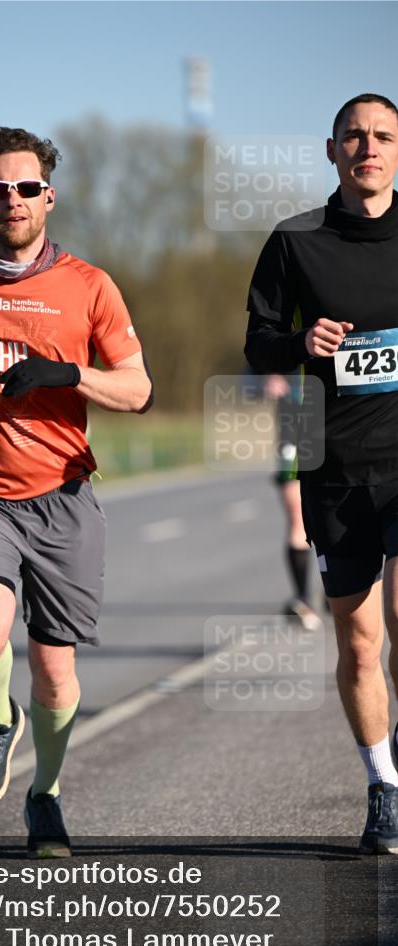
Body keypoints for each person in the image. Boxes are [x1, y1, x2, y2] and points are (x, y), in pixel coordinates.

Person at [0, 127, 152, 858]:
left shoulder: (89, 286)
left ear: (48, 196)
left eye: (24, 187)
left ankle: (44, 794)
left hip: (63, 495)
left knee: (55, 672)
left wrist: (67, 373)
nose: (11, 199)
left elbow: (139, 388)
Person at [245, 94, 398, 854]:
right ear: (330, 149)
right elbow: (257, 344)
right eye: (353, 136)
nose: (367, 147)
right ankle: (383, 786)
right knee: (361, 644)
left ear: (397, 150)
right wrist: (302, 342)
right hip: (335, 465)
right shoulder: (293, 240)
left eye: (381, 137)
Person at [264, 370, 321, 631]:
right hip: (294, 442)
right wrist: (265, 379)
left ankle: (339, 590)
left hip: (337, 438)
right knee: (298, 522)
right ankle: (304, 600)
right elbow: (250, 372)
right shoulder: (280, 334)